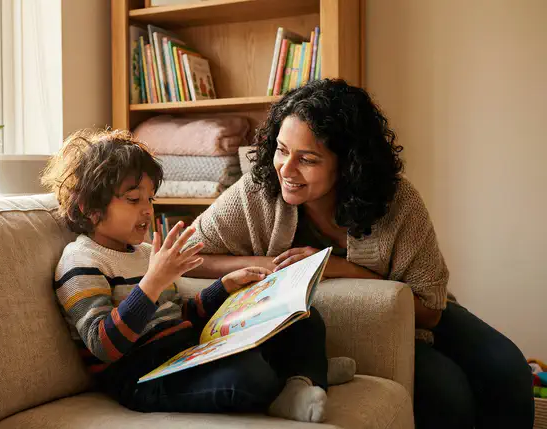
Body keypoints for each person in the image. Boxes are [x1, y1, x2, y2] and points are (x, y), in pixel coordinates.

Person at [186, 78, 535, 429]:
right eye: (281, 149)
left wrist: (335, 267)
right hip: (337, 329)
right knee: (448, 393)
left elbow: (430, 310)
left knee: (509, 370)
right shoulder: (260, 189)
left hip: (413, 314)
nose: (286, 170)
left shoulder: (397, 203)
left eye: (307, 158)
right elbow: (186, 254)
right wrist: (265, 264)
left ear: (348, 164)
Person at [43, 129, 332, 422]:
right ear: (89, 209)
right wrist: (151, 284)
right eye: (133, 200)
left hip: (188, 353)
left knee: (303, 317)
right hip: (145, 378)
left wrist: (223, 287)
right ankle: (300, 379)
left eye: (150, 199)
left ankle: (304, 377)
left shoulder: (144, 252)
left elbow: (179, 315)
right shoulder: (80, 261)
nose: (147, 210)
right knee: (249, 373)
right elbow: (103, 345)